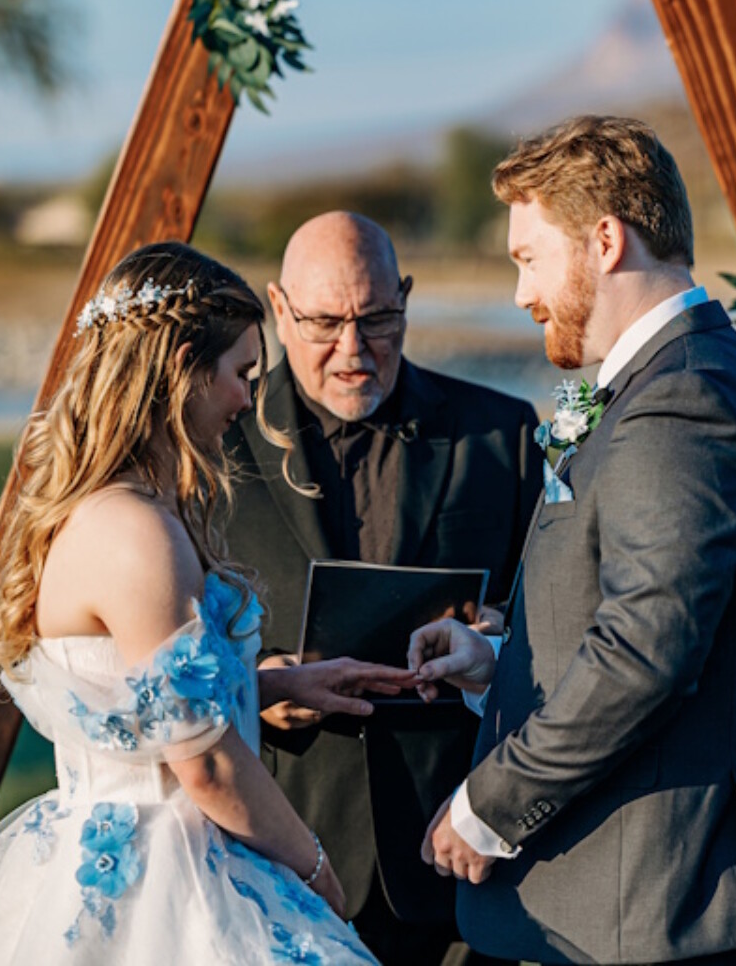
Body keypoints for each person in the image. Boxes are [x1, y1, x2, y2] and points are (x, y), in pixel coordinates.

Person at [0, 241, 418, 964]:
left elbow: (131, 700)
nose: (245, 400)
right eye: (240, 373)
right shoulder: (138, 533)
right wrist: (313, 871)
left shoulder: (105, 511)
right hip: (164, 876)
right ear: (182, 370)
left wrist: (271, 683)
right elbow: (201, 763)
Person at [409, 116, 736, 965]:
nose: (522, 294)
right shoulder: (669, 381)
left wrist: (491, 805)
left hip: (663, 904)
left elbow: (648, 649)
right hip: (627, 907)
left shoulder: (682, 400)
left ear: (604, 240)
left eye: (529, 258)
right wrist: (503, 665)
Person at [223, 212, 542, 964]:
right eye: (325, 322)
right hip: (272, 857)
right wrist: (263, 683)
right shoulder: (212, 445)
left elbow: (557, 627)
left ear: (406, 298)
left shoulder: (502, 435)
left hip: (458, 864)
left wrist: (496, 637)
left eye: (377, 319)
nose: (353, 350)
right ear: (278, 308)